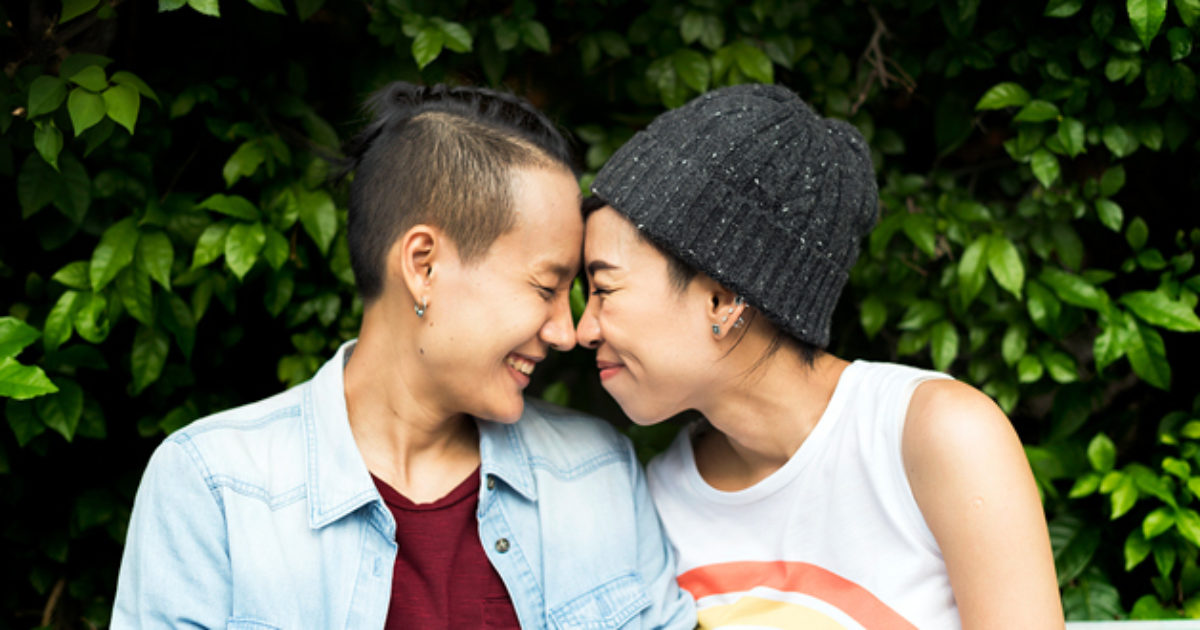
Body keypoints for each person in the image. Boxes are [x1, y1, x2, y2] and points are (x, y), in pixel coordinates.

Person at [112, 82, 694, 629]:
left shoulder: (598, 472)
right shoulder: (215, 488)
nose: (566, 334)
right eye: (545, 288)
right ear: (423, 265)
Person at [576, 84, 1063, 629]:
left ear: (723, 298)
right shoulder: (657, 498)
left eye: (604, 290)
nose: (581, 329)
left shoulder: (935, 436)